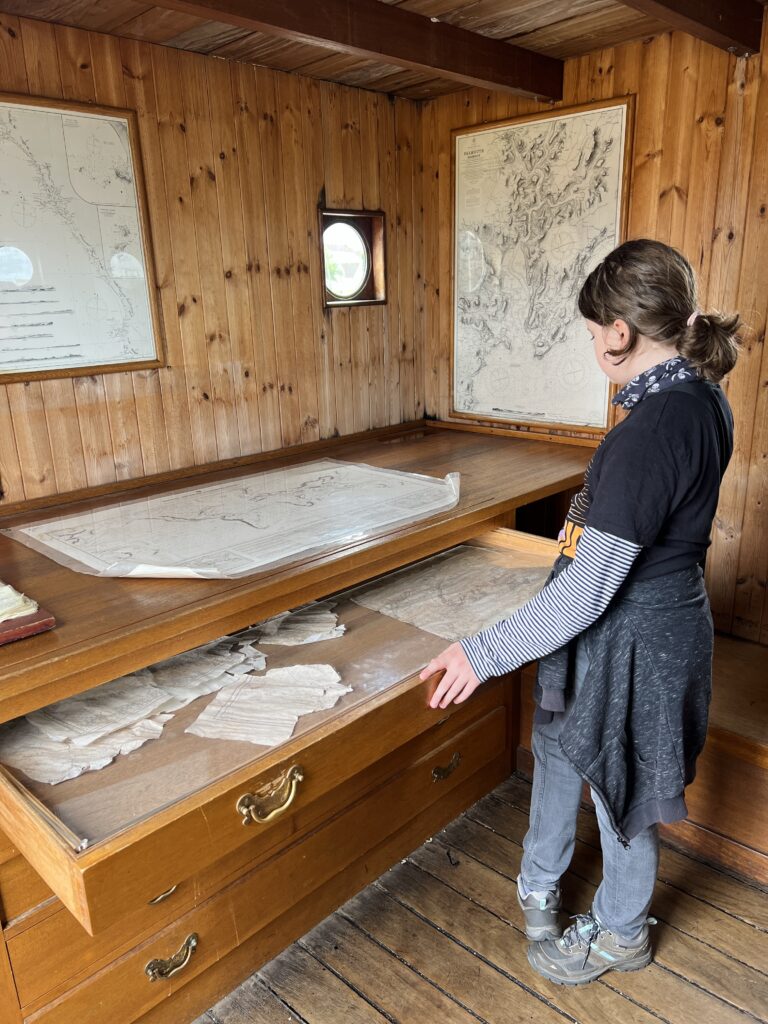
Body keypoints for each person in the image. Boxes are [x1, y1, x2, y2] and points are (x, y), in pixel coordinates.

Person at [419, 238, 739, 986]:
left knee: (621, 785)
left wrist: (479, 652)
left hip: (638, 637)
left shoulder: (654, 430)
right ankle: (541, 879)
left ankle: (624, 931)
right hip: (645, 623)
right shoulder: (698, 397)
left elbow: (590, 589)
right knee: (562, 743)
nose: (596, 343)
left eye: (595, 331)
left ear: (619, 333)